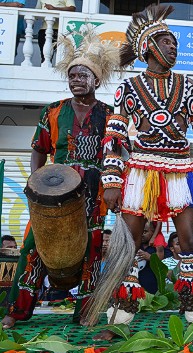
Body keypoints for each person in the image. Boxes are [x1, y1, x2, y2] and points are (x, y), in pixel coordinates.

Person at [96, 4, 193, 338]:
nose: (173, 46)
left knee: (190, 240)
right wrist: (111, 179)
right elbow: (116, 135)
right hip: (139, 169)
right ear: (149, 47)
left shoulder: (188, 86)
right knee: (128, 242)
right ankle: (119, 315)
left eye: (174, 42)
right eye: (166, 41)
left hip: (180, 169)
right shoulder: (130, 89)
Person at [1, 30, 119, 329]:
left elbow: (116, 155)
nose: (75, 80)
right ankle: (16, 311)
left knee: (91, 248)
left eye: (81, 75)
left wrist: (115, 188)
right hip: (53, 187)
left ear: (96, 81)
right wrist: (34, 185)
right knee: (34, 244)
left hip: (93, 190)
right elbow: (40, 150)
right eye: (71, 76)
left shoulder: (109, 114)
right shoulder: (52, 111)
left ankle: (86, 312)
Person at [137, 222, 172, 294]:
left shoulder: (163, 248)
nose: (142, 234)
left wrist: (150, 258)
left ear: (153, 232)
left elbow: (167, 266)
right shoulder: (136, 244)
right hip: (137, 288)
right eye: (140, 231)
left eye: (145, 232)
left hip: (155, 289)